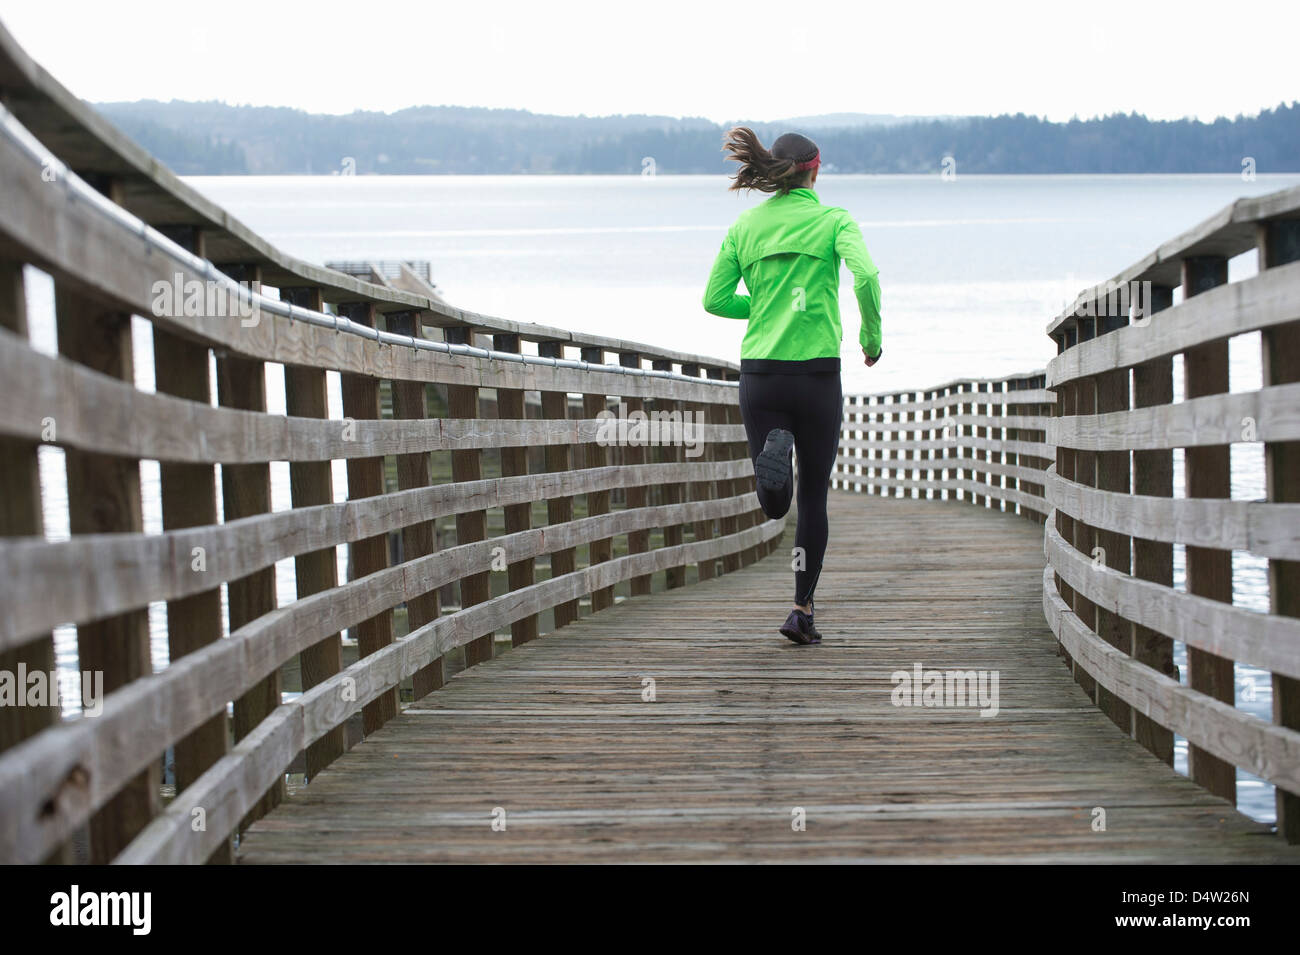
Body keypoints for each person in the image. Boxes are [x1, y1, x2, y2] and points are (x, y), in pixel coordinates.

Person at [702, 127, 882, 645]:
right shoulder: (832, 220)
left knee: (775, 504)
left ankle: (771, 476)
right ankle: (801, 609)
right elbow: (866, 276)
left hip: (761, 374)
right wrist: (871, 338)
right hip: (817, 375)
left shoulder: (746, 226)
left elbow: (715, 300)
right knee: (814, 497)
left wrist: (762, 306)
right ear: (816, 170)